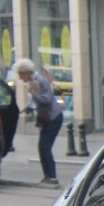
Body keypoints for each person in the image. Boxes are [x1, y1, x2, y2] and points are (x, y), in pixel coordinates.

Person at [14, 57, 64, 186]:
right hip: (47, 118)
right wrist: (26, 109)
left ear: (26, 73)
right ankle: (48, 176)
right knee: (42, 147)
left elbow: (47, 99)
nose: (20, 78)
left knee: (44, 146)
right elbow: (34, 100)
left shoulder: (39, 81)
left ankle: (52, 177)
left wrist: (34, 94)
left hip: (53, 117)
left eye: (20, 75)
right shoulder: (33, 82)